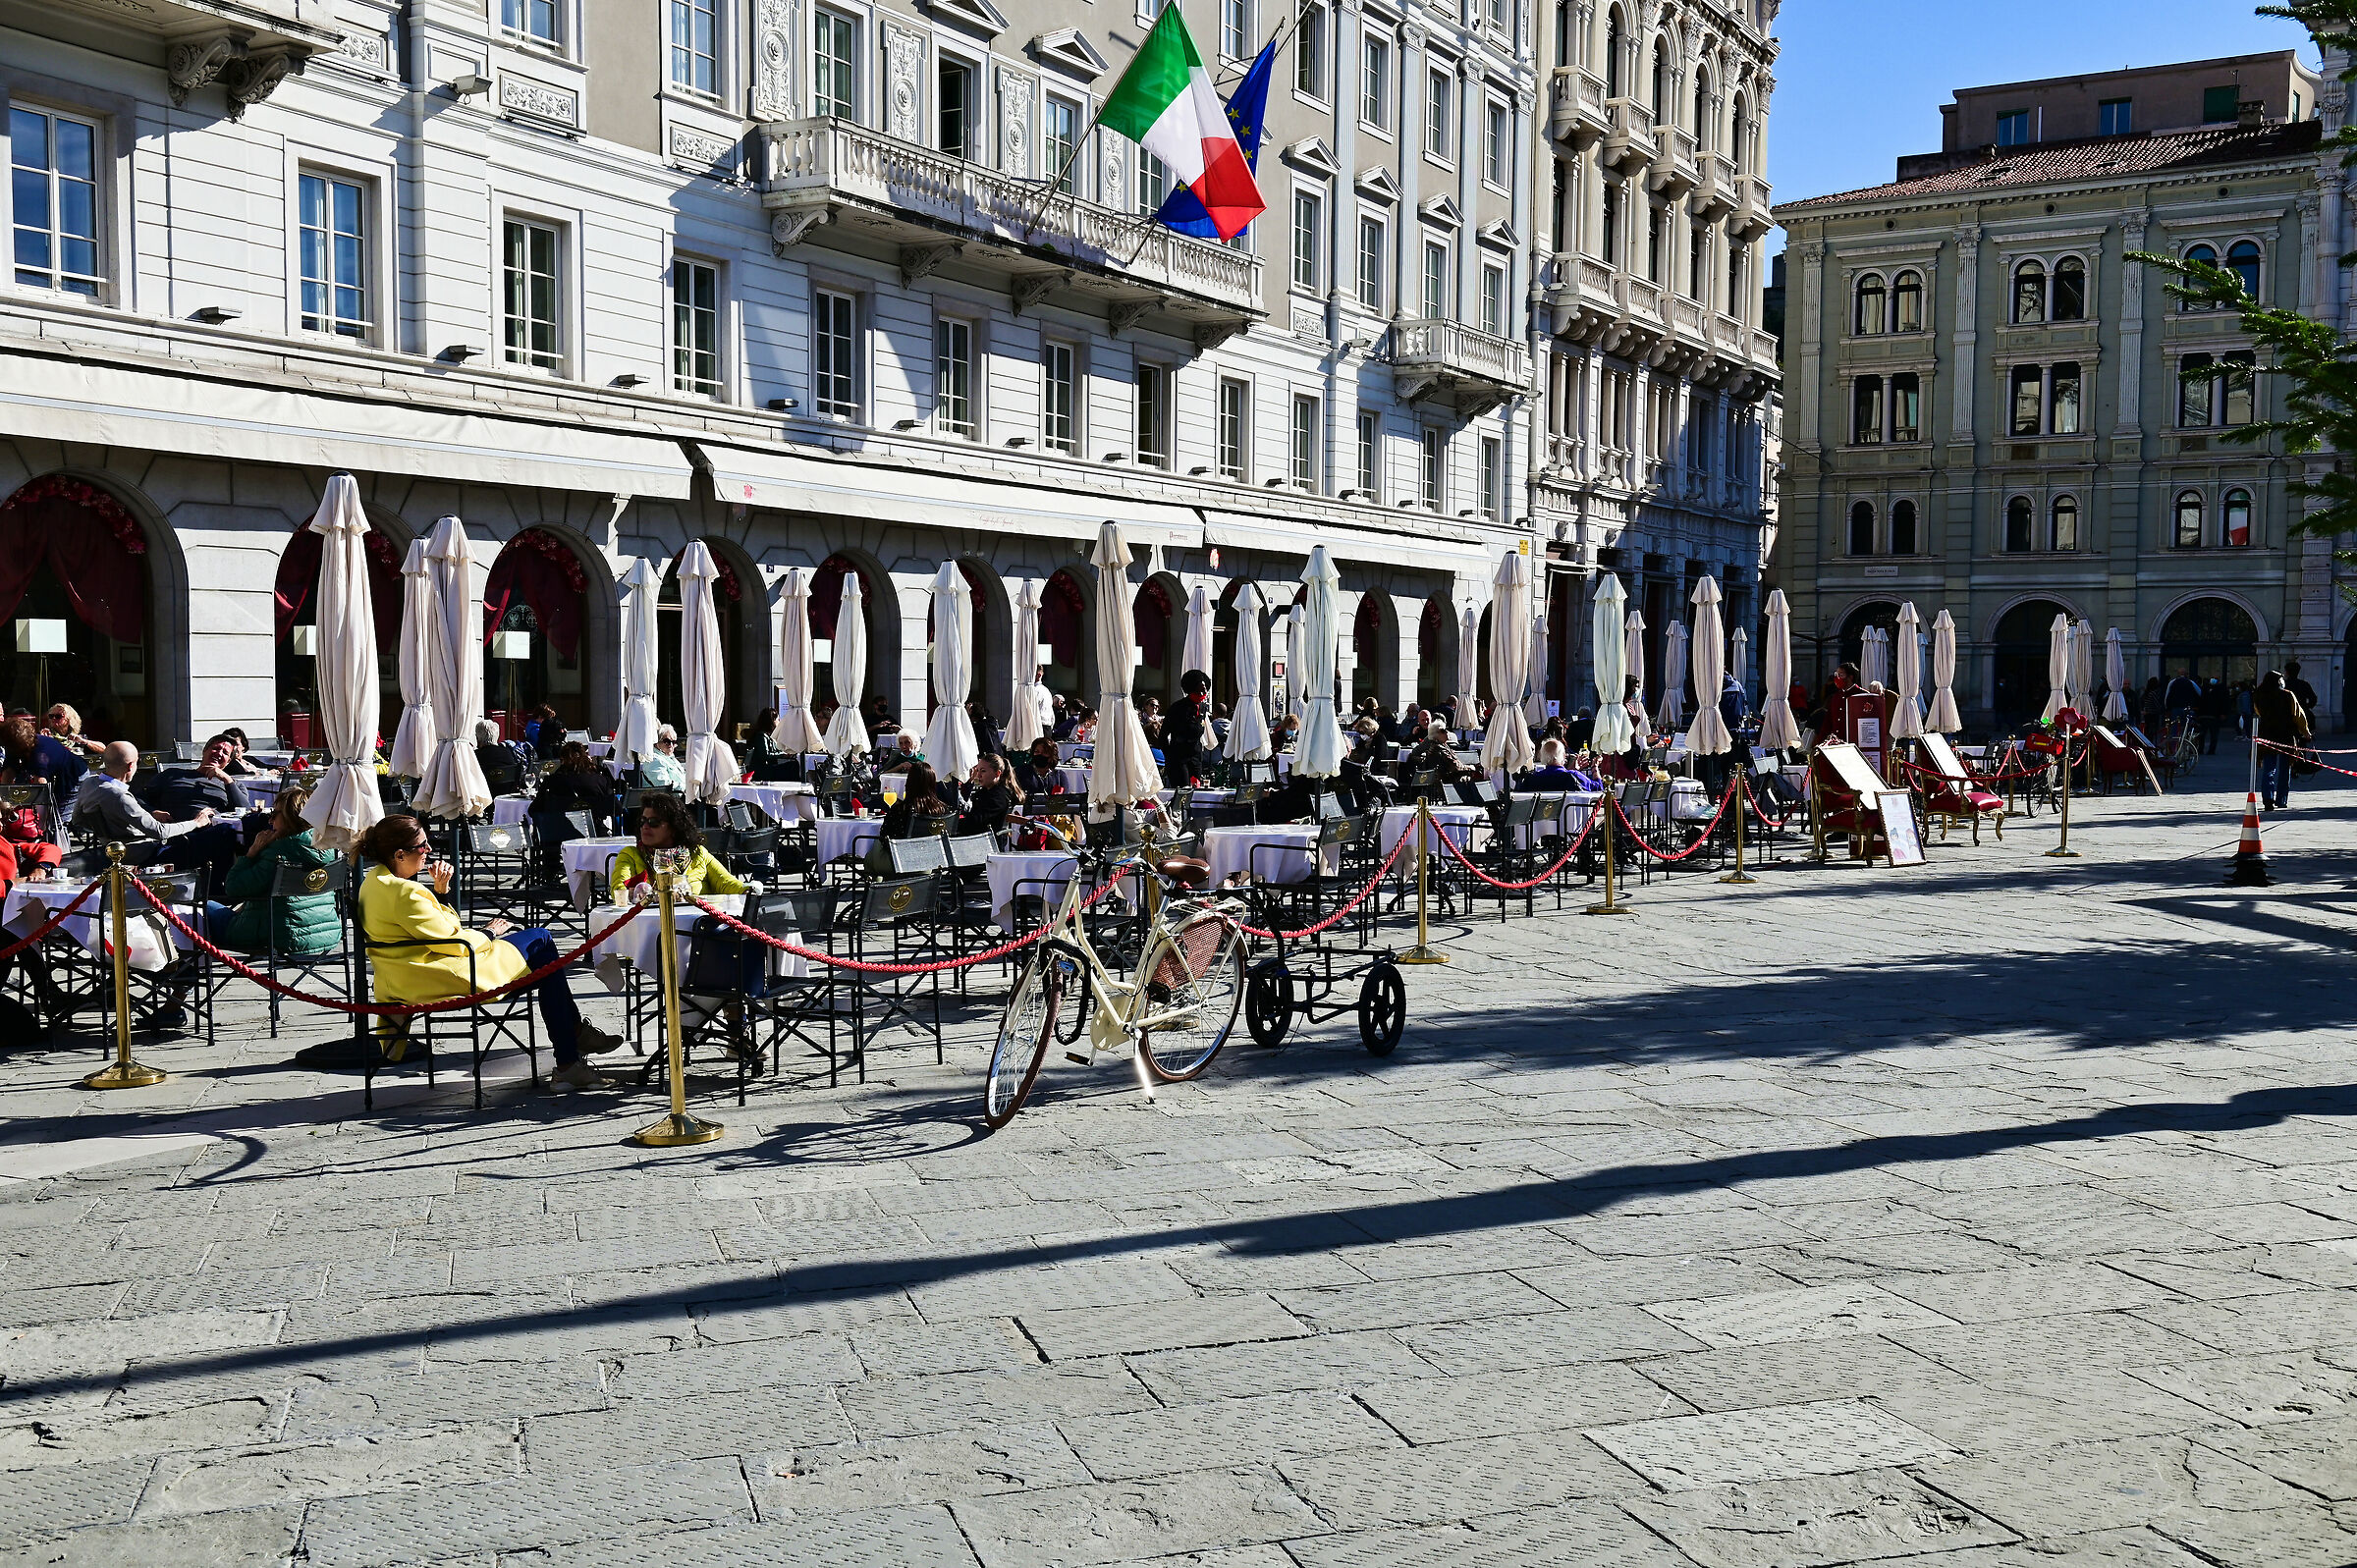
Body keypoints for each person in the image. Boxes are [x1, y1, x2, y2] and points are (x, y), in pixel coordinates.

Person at [356, 815, 622, 1088]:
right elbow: (452, 942)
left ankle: (571, 1048)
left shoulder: (373, 882)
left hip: (402, 977)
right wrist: (489, 932)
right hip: (440, 976)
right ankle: (571, 1048)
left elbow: (437, 931)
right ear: (400, 854)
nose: (429, 850)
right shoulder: (406, 893)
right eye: (423, 846)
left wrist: (441, 892)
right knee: (542, 942)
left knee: (545, 963)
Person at [203, 784, 341, 957]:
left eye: (274, 815)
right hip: (326, 936)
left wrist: (251, 853)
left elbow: (233, 887)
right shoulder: (331, 850)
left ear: (292, 818)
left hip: (277, 936)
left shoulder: (278, 853)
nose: (270, 821)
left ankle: (185, 972)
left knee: (200, 908)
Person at [608, 792, 747, 899]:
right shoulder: (631, 855)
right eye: (642, 821)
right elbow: (619, 892)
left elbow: (727, 883)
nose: (645, 827)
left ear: (675, 827)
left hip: (698, 926)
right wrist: (651, 894)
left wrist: (749, 890)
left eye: (653, 822)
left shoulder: (697, 853)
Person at [531, 740, 620, 843]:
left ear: (562, 761)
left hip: (557, 835)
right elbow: (616, 808)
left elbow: (534, 809)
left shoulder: (552, 781)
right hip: (593, 834)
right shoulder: (600, 781)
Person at [2253, 669, 2311, 811]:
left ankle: (2267, 798)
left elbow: (2258, 712)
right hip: (2286, 734)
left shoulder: (2259, 694)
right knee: (2285, 769)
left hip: (2267, 734)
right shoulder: (2288, 695)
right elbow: (2298, 715)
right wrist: (2306, 733)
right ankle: (2282, 800)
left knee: (2269, 769)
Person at [1161, 670, 1211, 786]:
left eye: (1205, 689)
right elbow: (1163, 736)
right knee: (1183, 790)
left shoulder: (1203, 707)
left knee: (1196, 788)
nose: (1203, 692)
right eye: (1200, 690)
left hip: (1195, 757)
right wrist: (1169, 756)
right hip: (1178, 758)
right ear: (1192, 690)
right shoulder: (1177, 708)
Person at [882, 761, 953, 838]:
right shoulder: (944, 810)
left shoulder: (900, 811)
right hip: (935, 848)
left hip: (906, 848)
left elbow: (885, 837)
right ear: (932, 784)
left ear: (909, 783)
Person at [958, 754, 1014, 836]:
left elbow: (977, 821)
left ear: (997, 773)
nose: (978, 775)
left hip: (989, 843)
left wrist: (954, 824)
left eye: (983, 771)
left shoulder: (999, 796)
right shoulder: (984, 792)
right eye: (977, 770)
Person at [741, 708, 794, 781]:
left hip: (768, 768)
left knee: (792, 765)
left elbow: (775, 750)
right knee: (793, 767)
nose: (779, 722)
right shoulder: (761, 736)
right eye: (778, 719)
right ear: (772, 720)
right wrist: (783, 755)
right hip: (763, 771)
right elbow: (765, 755)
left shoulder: (768, 736)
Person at [639, 726, 686, 791]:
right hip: (664, 799)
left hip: (680, 796)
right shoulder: (653, 760)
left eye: (673, 742)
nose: (671, 745)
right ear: (657, 742)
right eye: (667, 741)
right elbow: (663, 784)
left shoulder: (670, 758)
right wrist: (685, 787)